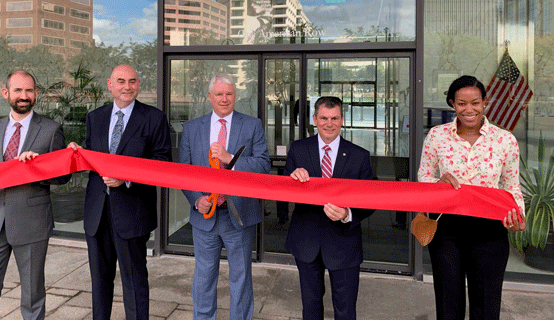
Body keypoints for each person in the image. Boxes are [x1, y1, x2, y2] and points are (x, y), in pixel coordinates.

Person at [0, 70, 69, 320]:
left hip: (31, 224)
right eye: (18, 90)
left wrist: (38, 167)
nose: (24, 96)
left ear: (36, 94)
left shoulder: (51, 130)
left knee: (32, 297)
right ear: (6, 93)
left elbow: (63, 177)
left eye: (29, 91)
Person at [68, 64, 172, 320]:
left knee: (134, 283)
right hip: (97, 213)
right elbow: (92, 158)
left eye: (133, 81)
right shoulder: (95, 117)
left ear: (139, 85)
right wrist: (76, 153)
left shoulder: (154, 118)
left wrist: (126, 178)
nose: (128, 86)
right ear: (110, 84)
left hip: (132, 213)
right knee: (99, 282)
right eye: (121, 81)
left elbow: (162, 163)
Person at [418, 75, 526, 320]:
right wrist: (438, 183)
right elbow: (423, 176)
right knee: (448, 305)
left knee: (487, 306)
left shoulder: (505, 140)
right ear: (452, 104)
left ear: (485, 103)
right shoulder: (436, 136)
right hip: (447, 229)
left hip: (490, 229)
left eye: (475, 103)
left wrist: (519, 214)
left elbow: (511, 185)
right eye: (461, 103)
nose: (469, 110)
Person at [180, 73, 271, 320]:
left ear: (235, 96)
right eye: (219, 94)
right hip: (204, 217)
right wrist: (196, 199)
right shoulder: (191, 128)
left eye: (229, 94)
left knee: (240, 277)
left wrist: (231, 158)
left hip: (238, 215)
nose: (224, 99)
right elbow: (183, 172)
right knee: (204, 276)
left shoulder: (252, 125)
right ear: (210, 97)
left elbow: (264, 165)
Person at [284, 96, 375, 320]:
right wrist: (292, 179)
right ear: (315, 119)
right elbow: (282, 189)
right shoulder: (298, 149)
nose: (329, 123)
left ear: (342, 119)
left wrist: (348, 214)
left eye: (334, 118)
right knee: (311, 308)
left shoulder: (359, 156)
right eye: (323, 118)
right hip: (306, 242)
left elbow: (371, 199)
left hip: (344, 243)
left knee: (345, 310)